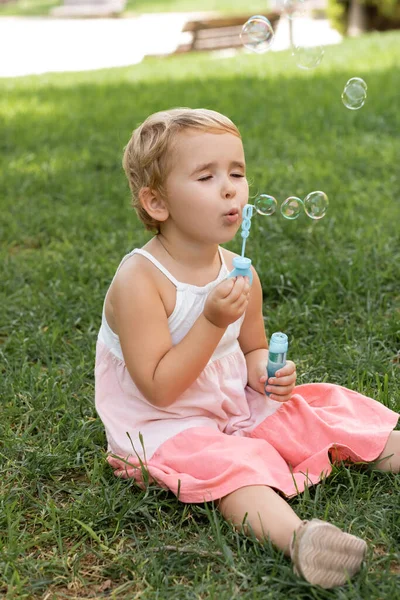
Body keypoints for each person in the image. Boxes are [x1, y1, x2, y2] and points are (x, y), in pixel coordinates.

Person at [95, 107, 399, 589]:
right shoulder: (140, 281)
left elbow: (253, 346)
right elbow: (159, 389)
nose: (231, 187)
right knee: (234, 468)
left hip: (230, 402)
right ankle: (301, 539)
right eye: (206, 176)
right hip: (167, 424)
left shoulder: (239, 270)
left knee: (312, 413)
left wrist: (265, 371)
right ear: (156, 203)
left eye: (237, 172)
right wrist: (212, 321)